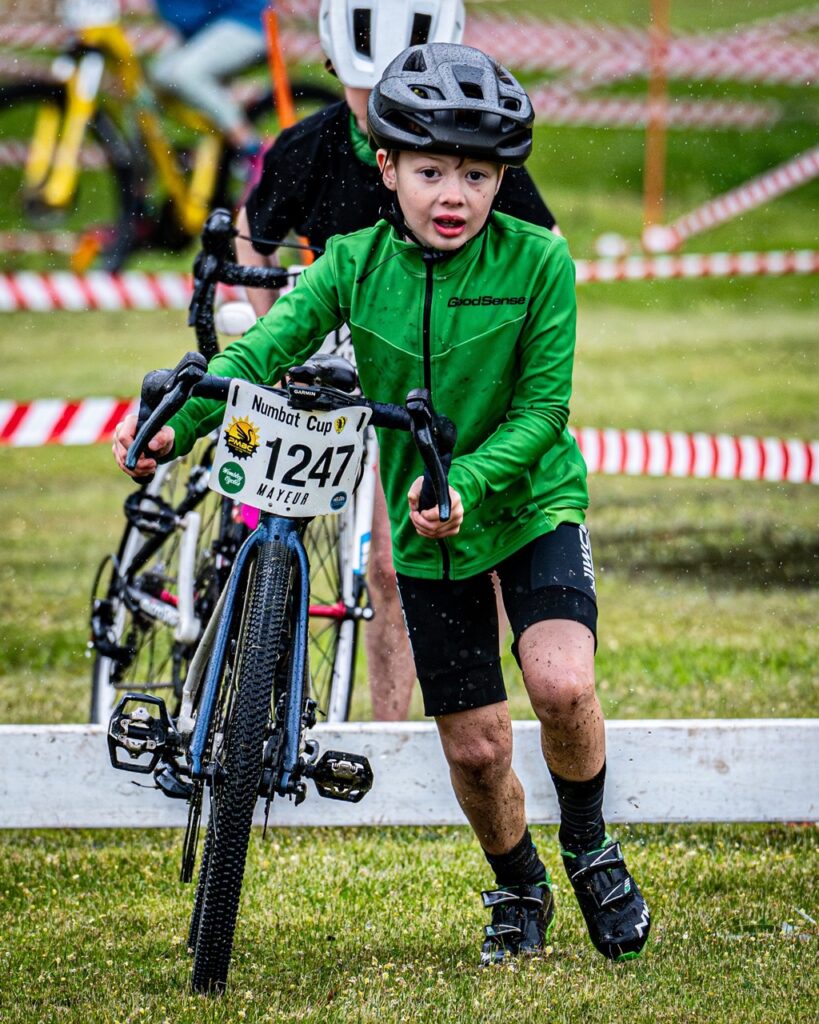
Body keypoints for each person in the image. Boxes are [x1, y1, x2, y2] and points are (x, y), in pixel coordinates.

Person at [113, 41, 651, 966]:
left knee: (562, 684)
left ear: (502, 180)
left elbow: (542, 413)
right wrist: (177, 426)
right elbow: (258, 356)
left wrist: (466, 482)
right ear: (388, 166)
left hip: (528, 503)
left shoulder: (537, 264)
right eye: (431, 171)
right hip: (426, 526)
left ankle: (589, 847)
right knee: (477, 750)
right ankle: (518, 884)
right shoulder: (352, 264)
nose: (454, 195)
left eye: (477, 175)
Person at [234, 0, 558, 720]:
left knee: (391, 554)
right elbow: (253, 234)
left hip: (425, 374)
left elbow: (540, 245)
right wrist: (269, 323)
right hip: (326, 352)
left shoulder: (471, 152)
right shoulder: (308, 147)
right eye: (365, 97)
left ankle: (422, 717)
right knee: (258, 503)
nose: (380, 111)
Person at [150, 0, 268, 163]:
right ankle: (226, 109)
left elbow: (188, 18)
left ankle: (250, 146)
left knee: (186, 75)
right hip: (213, 25)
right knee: (158, 77)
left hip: (247, 22)